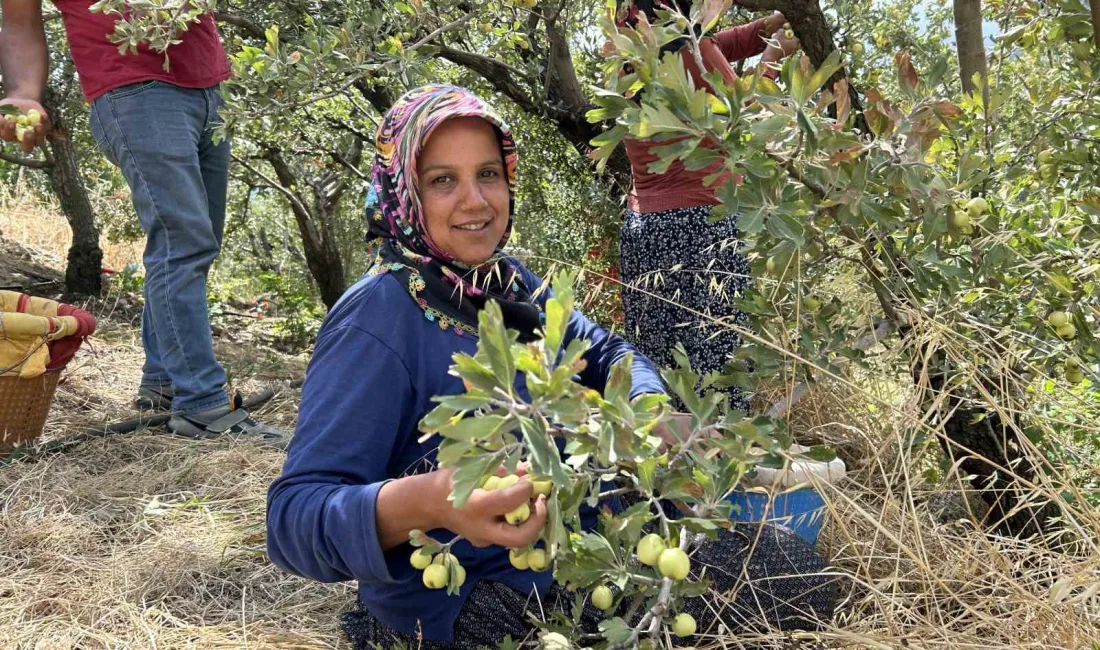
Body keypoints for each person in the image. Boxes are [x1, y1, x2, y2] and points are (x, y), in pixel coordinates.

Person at [266, 84, 835, 649]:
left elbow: (610, 353)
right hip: (470, 605)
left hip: (590, 556)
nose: (475, 201)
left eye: (488, 174)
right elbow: (294, 519)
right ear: (404, 193)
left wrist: (645, 406)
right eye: (443, 181)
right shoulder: (377, 319)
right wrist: (434, 501)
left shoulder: (508, 286)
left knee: (805, 583)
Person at [0, 0, 285, 443]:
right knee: (184, 242)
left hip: (211, 90)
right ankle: (203, 406)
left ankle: (164, 383)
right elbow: (19, 22)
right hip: (135, 91)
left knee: (195, 243)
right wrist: (23, 93)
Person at [617, 1, 800, 412]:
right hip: (699, 226)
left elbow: (717, 45)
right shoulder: (685, 52)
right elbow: (742, 121)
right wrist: (773, 55)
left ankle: (671, 462)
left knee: (661, 364)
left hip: (646, 230)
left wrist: (769, 25)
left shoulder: (639, 55)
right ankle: (723, 460)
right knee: (716, 363)